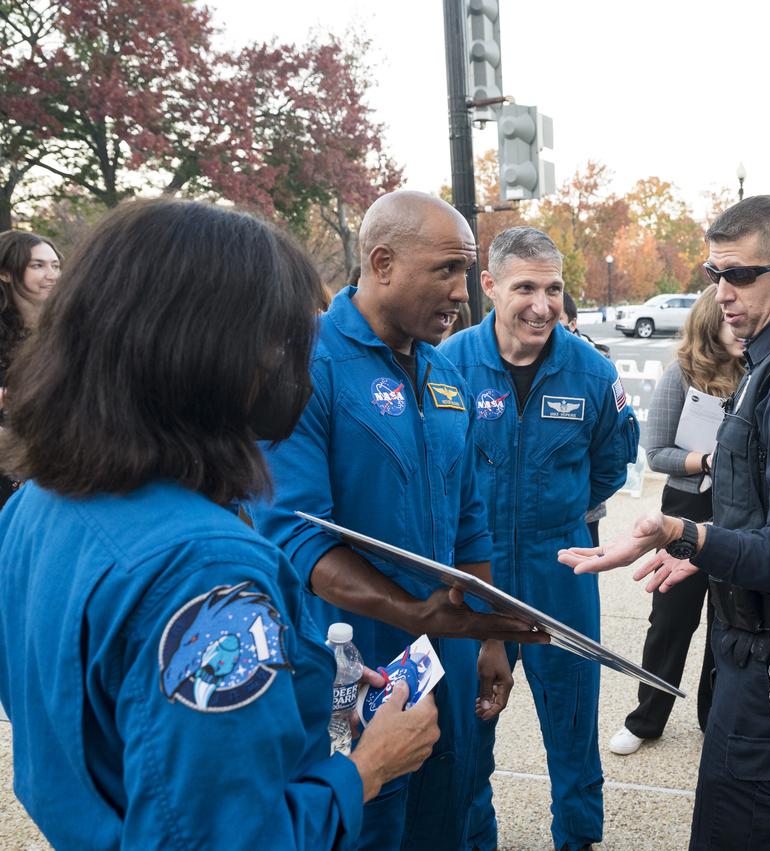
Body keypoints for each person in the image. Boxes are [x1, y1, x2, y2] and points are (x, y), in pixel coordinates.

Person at [0, 199, 441, 848]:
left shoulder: (34, 504)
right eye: (282, 338)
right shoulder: (208, 572)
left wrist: (298, 684)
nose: (292, 363)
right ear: (206, 351)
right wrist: (368, 767)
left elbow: (102, 703)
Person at [560, 195, 770, 850]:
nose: (722, 293)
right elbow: (763, 516)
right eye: (715, 275)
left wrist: (685, 533)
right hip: (763, 665)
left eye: (739, 274)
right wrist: (705, 554)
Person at [249, 191, 545, 851]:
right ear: (381, 262)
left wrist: (485, 639)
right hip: (345, 665)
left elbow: (470, 514)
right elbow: (294, 536)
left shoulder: (445, 376)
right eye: (445, 269)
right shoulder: (305, 366)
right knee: (363, 824)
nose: (463, 294)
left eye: (465, 272)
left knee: (447, 814)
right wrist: (414, 614)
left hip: (443, 654)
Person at [440, 226, 638, 851]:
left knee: (574, 737)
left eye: (553, 288)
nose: (542, 305)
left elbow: (612, 464)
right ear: (491, 286)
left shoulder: (593, 372)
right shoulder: (446, 367)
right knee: (468, 743)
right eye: (525, 287)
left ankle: (576, 841)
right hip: (475, 575)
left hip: (562, 573)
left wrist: (559, 517)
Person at [609, 285, 744, 755]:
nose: (740, 327)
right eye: (730, 319)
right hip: (685, 509)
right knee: (669, 621)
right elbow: (657, 453)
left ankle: (715, 719)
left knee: (728, 622)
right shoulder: (680, 376)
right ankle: (647, 719)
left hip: (738, 514)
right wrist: (707, 462)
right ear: (711, 323)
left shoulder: (758, 374)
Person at [0, 230, 62, 509]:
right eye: (38, 265)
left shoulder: (68, 332)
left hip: (54, 460)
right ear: (5, 274)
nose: (52, 274)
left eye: (55, 265)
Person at [559, 290, 611, 545]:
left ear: (572, 323)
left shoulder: (596, 366)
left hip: (585, 511)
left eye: (557, 319)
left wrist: (580, 498)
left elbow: (612, 455)